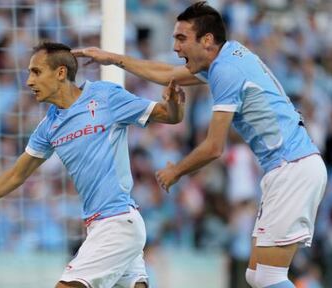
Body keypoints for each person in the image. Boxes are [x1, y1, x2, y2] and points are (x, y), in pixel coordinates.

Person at [72, 2, 327, 288]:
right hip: (292, 167)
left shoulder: (225, 71)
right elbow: (166, 73)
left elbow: (214, 146)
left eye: (181, 39)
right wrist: (112, 58)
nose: (176, 48)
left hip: (292, 168)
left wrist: (176, 171)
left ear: (207, 40)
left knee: (268, 277)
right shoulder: (228, 58)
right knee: (257, 276)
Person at [0, 42, 185, 288]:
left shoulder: (105, 96)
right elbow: (15, 176)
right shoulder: (48, 126)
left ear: (61, 72)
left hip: (117, 222)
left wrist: (174, 102)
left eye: (36, 72)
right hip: (101, 225)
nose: (29, 81)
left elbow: (171, 116)